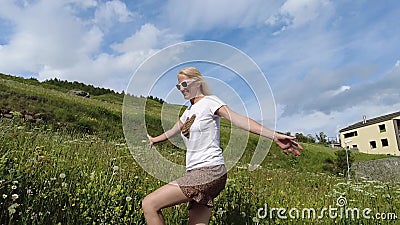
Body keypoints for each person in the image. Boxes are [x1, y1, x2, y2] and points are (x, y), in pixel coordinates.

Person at [142, 67, 302, 225]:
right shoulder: (189, 111)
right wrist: (155, 140)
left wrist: (273, 136)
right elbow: (173, 130)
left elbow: (239, 120)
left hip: (209, 171)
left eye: (184, 84)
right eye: (179, 86)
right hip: (198, 172)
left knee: (149, 204)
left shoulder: (210, 102)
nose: (181, 89)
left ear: (197, 83)